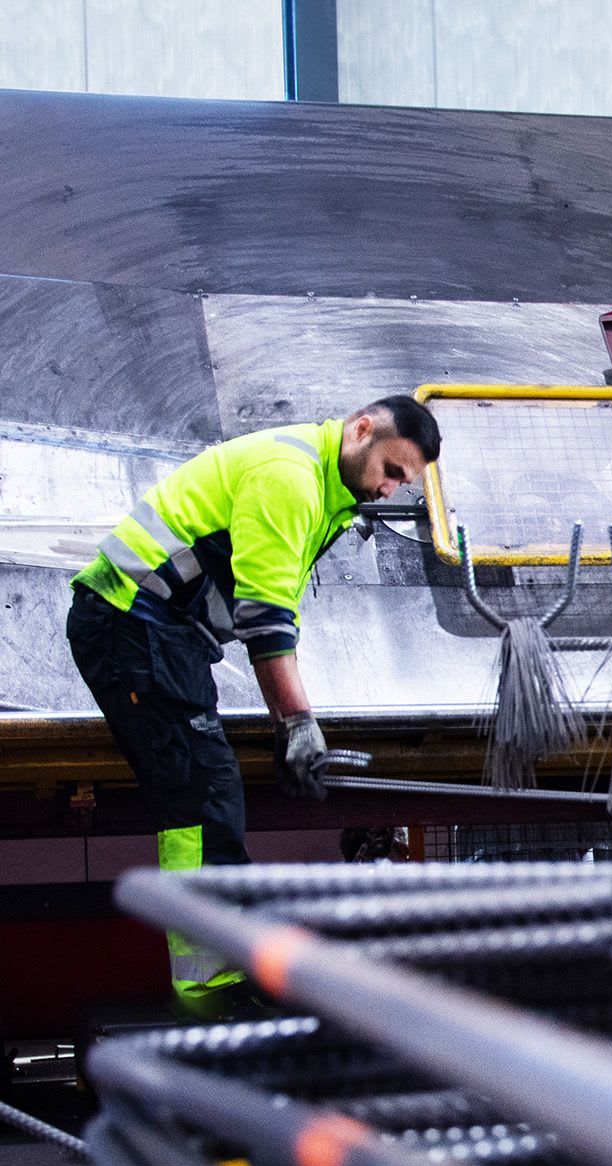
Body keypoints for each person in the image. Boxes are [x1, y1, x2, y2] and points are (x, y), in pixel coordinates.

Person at [66, 396, 442, 1011]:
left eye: (404, 481)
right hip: (128, 619)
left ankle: (219, 970)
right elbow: (265, 620)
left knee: (208, 789)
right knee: (200, 792)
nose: (392, 490)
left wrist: (288, 720)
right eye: (391, 470)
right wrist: (297, 724)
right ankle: (209, 987)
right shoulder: (289, 477)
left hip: (156, 630)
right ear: (362, 430)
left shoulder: (328, 495)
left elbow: (273, 610)